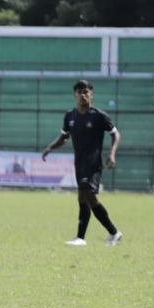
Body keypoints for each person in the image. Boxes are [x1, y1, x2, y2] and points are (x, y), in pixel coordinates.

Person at [41, 79, 122, 246]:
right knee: (82, 198)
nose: (82, 95)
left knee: (88, 196)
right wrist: (50, 147)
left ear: (91, 95)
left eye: (86, 92)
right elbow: (64, 137)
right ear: (75, 95)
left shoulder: (99, 116)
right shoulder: (70, 116)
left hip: (93, 164)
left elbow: (115, 134)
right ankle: (83, 237)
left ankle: (112, 232)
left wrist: (112, 154)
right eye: (79, 92)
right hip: (79, 164)